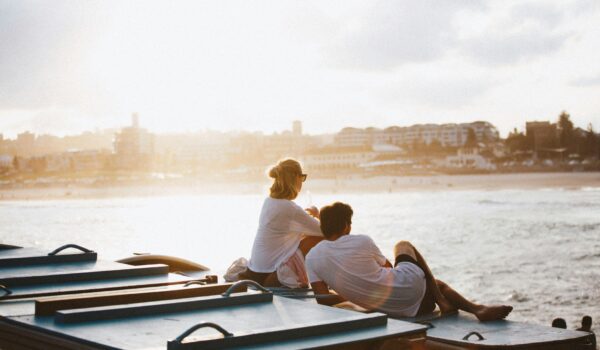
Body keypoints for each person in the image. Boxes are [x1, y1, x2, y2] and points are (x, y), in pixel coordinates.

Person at [305, 202, 513, 321]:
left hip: (394, 310)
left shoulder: (312, 257)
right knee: (404, 245)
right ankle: (472, 308)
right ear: (346, 226)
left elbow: (322, 298)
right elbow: (387, 268)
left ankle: (463, 305)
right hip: (415, 298)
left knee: (431, 283)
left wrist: (350, 291)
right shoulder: (362, 241)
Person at [241, 159, 323, 287]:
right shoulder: (290, 208)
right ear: (296, 177)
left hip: (255, 272)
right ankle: (323, 284)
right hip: (271, 274)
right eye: (302, 177)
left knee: (305, 238)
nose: (302, 182)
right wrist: (318, 215)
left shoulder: (269, 201)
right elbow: (327, 231)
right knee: (317, 239)